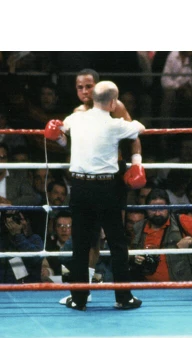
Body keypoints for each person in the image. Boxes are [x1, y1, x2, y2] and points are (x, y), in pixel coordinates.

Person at [44, 80, 146, 311]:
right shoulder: (116, 125)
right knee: (117, 243)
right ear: (112, 102)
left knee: (80, 244)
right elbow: (140, 129)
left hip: (80, 188)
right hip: (107, 189)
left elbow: (60, 138)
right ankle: (123, 297)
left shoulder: (75, 119)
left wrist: (58, 135)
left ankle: (79, 299)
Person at [130, 188, 192, 281]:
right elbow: (130, 251)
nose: (157, 213)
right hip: (146, 287)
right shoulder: (138, 227)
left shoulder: (181, 220)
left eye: (161, 208)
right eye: (153, 208)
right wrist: (135, 258)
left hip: (179, 287)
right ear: (146, 208)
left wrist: (191, 240)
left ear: (168, 207)